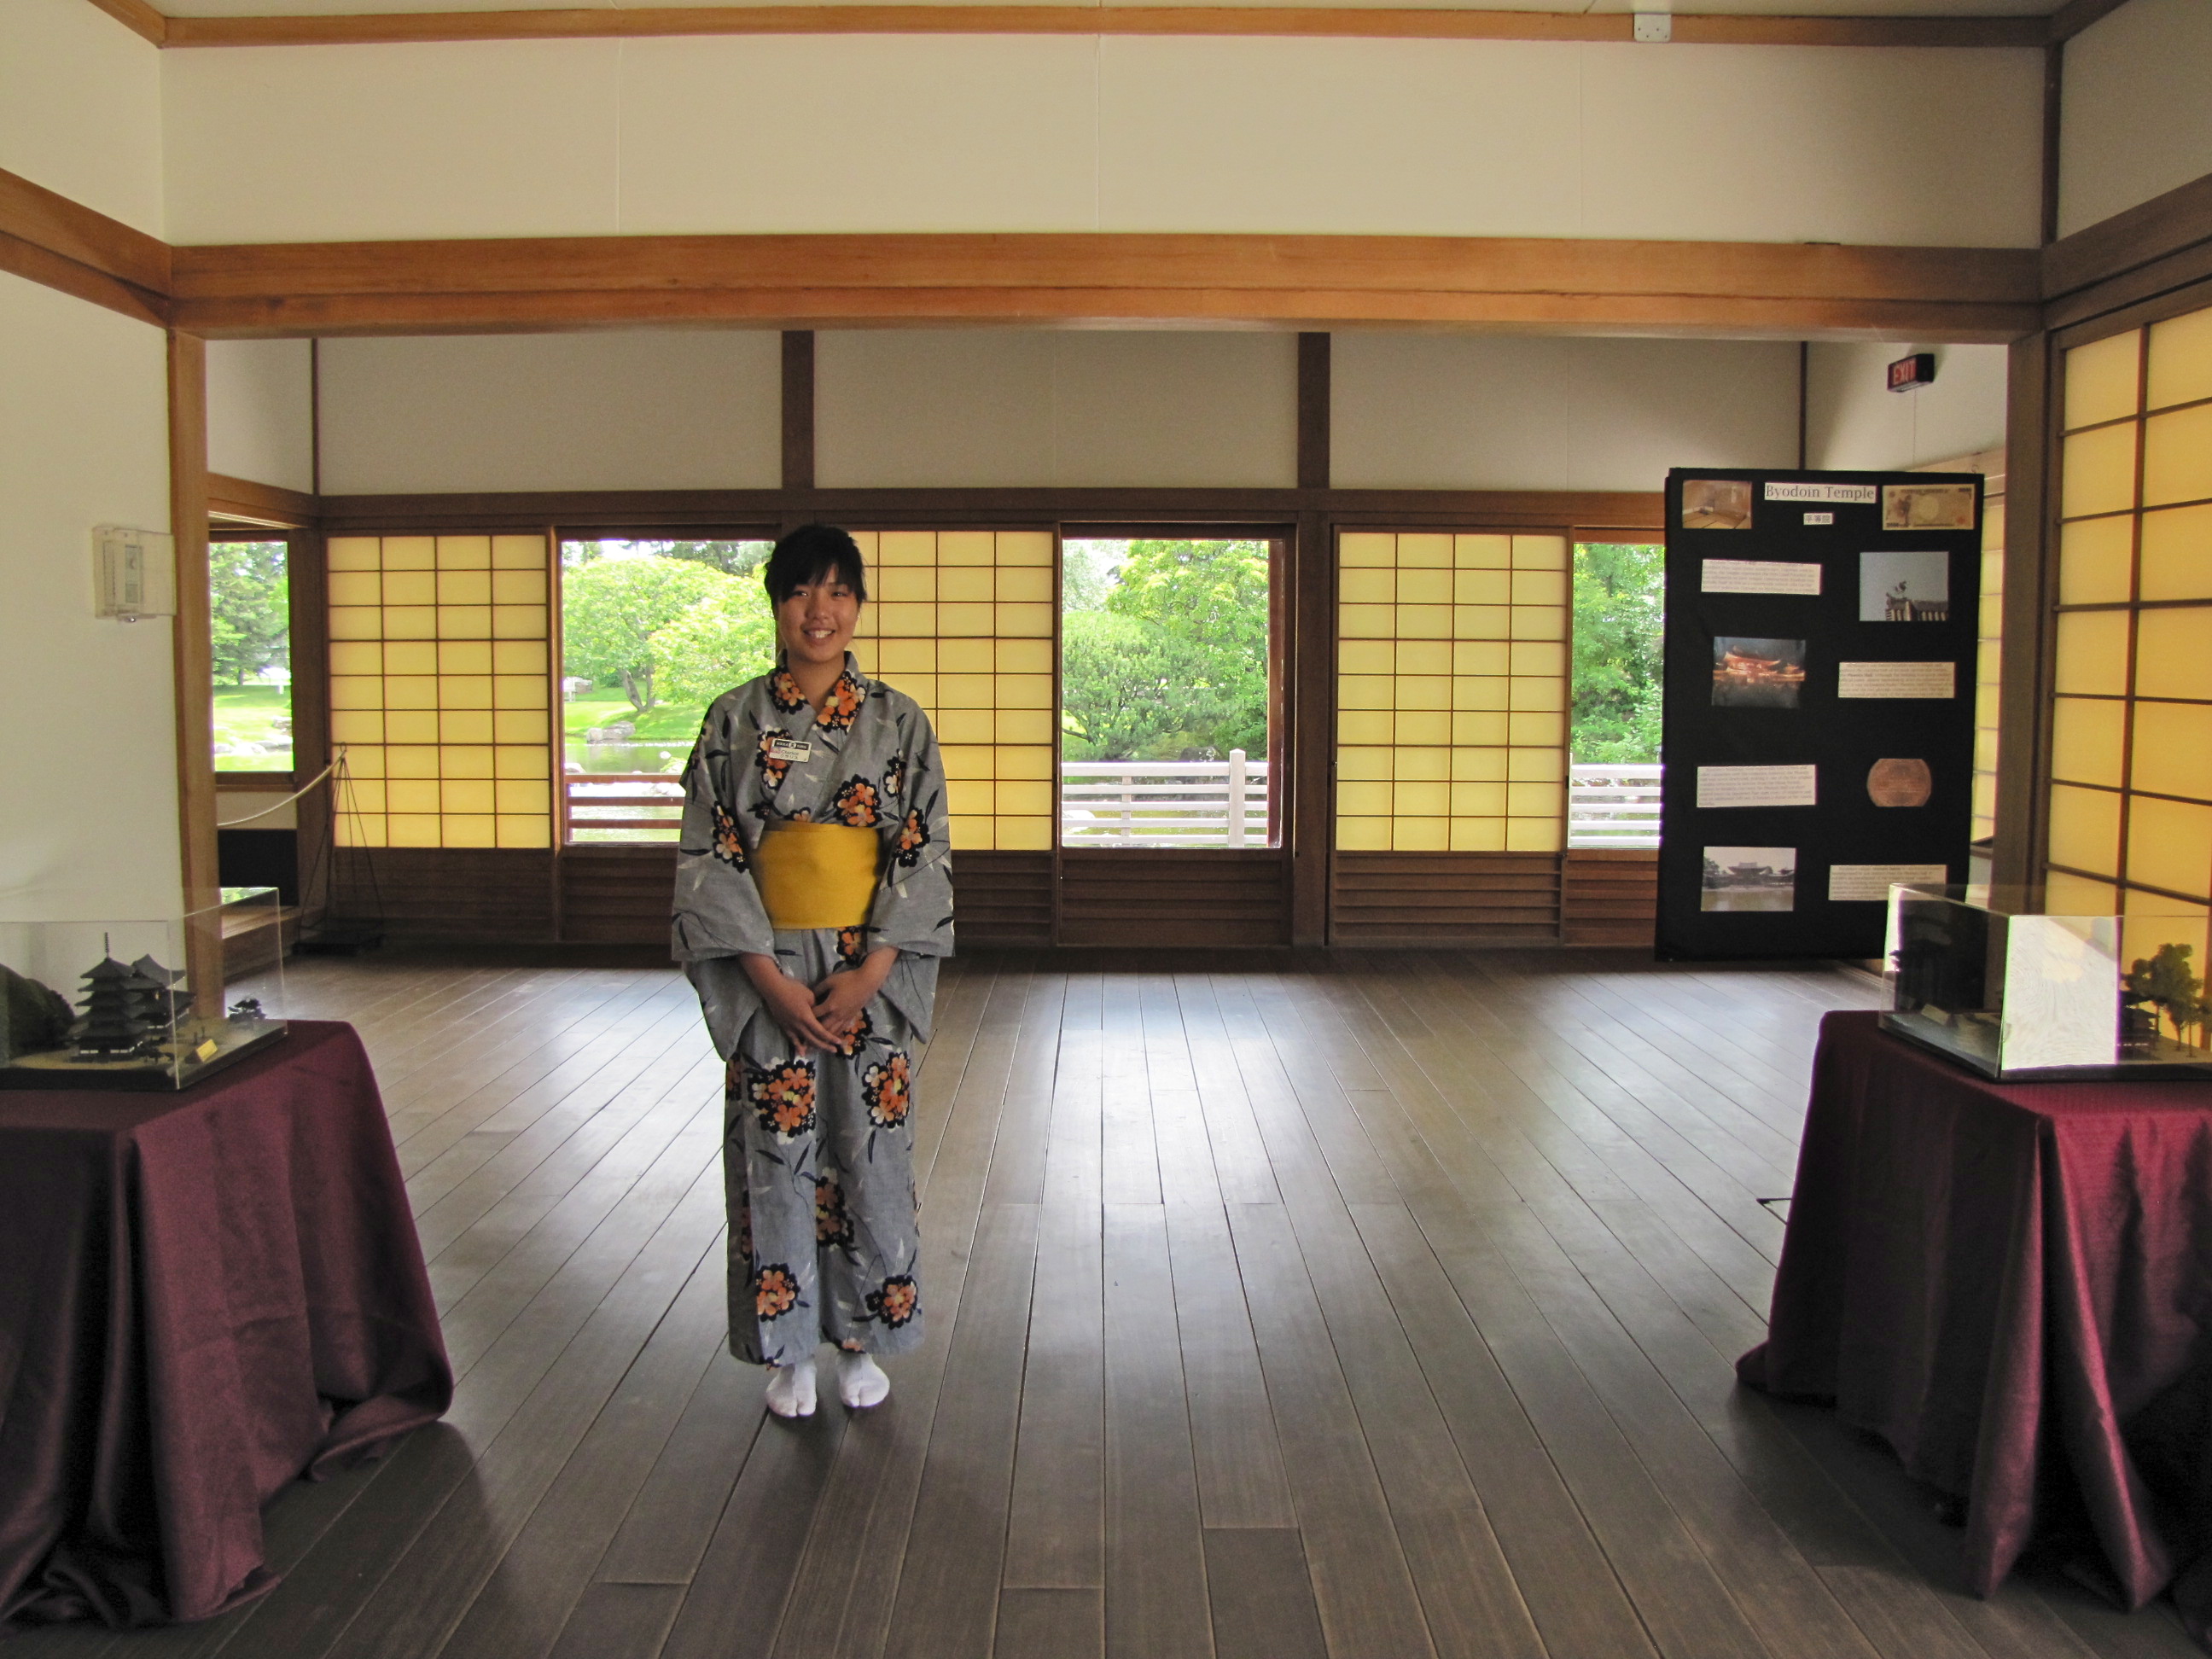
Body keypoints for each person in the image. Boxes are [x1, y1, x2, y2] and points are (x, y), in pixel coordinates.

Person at [672, 526, 952, 1419]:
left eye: (836, 592)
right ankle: (787, 1350)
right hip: (769, 964)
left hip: (870, 964)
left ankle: (861, 1339)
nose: (818, 611)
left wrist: (874, 971)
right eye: (799, 591)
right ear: (775, 604)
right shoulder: (733, 719)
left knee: (870, 1154)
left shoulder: (899, 720)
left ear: (859, 605)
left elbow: (922, 851)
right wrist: (765, 978)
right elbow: (710, 856)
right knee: (775, 1154)